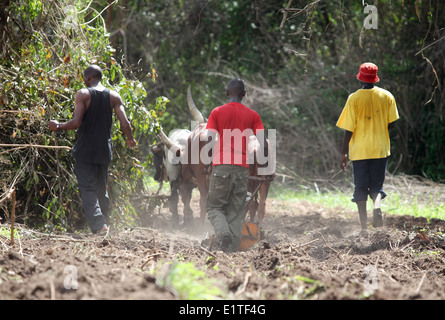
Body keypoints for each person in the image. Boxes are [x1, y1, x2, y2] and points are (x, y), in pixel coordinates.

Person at [48, 65, 136, 235]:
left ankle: (100, 224)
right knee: (101, 189)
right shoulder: (114, 96)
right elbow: (125, 124)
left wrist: (57, 125)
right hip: (104, 150)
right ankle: (105, 224)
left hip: (86, 150)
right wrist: (130, 138)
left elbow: (76, 122)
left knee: (87, 188)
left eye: (84, 77)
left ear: (88, 78)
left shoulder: (83, 94)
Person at [336, 62, 399, 231]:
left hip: (360, 151)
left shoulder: (354, 98)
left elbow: (348, 129)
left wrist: (343, 153)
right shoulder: (387, 96)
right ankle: (377, 206)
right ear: (375, 78)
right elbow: (392, 124)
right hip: (380, 149)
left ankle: (364, 227)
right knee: (377, 186)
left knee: (360, 188)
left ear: (360, 78)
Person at [205, 78, 266, 252]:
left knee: (214, 206)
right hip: (242, 170)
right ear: (244, 95)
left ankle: (223, 234)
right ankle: (230, 250)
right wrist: (265, 166)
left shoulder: (216, 112)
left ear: (227, 93)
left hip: (221, 167)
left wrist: (209, 161)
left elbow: (209, 139)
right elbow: (263, 143)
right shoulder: (253, 115)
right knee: (237, 211)